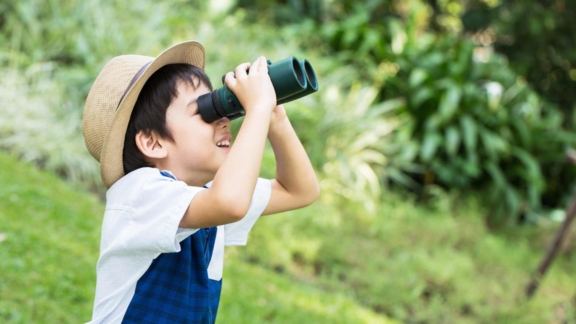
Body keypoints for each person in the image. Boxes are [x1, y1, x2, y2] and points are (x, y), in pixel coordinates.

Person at [81, 40, 319, 323]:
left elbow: (299, 191)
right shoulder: (140, 193)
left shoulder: (205, 194)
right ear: (152, 142)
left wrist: (274, 118)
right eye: (205, 111)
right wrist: (256, 109)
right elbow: (229, 202)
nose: (224, 120)